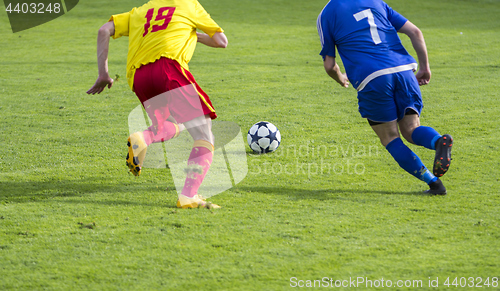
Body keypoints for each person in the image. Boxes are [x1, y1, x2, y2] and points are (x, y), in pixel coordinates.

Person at [87, 0, 228, 208]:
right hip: (168, 69)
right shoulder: (189, 5)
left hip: (139, 77)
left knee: (172, 125)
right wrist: (194, 34)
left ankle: (143, 137)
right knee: (204, 134)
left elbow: (104, 30)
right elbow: (221, 41)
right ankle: (189, 196)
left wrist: (103, 74)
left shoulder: (140, 11)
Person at [317, 0, 453, 194]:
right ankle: (439, 141)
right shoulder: (375, 2)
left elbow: (330, 65)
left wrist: (341, 79)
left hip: (372, 78)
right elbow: (415, 32)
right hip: (404, 70)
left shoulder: (327, 13)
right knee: (412, 129)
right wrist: (424, 67)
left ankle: (434, 184)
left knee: (390, 137)